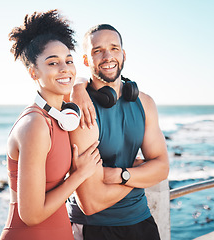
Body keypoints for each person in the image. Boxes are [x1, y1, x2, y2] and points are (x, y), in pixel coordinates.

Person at [0, 10, 101, 240]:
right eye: (53, 63)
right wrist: (79, 174)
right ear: (33, 72)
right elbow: (31, 216)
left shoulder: (62, 115)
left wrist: (79, 87)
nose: (65, 68)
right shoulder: (35, 124)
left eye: (68, 61)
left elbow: (78, 78)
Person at [67, 24, 170, 240]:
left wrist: (120, 175)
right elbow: (91, 203)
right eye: (97, 51)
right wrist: (138, 172)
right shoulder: (81, 110)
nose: (108, 56)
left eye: (114, 48)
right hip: (95, 228)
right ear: (86, 61)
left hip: (142, 221)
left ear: (123, 54)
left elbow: (161, 168)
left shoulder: (145, 103)